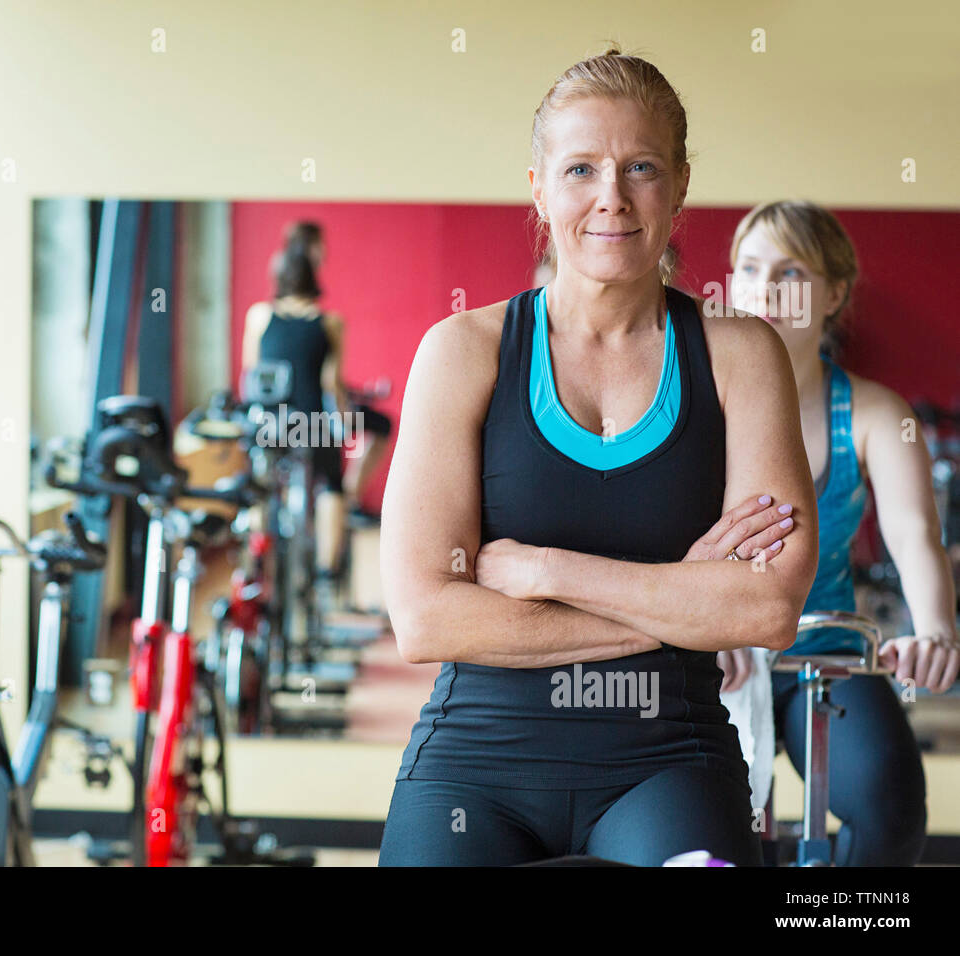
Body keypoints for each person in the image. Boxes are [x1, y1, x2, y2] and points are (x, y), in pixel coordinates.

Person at [378, 48, 819, 866]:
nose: (611, 197)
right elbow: (425, 617)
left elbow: (765, 611)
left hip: (668, 761)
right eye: (581, 168)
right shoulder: (463, 352)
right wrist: (681, 603)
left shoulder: (738, 354)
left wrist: (544, 570)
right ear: (539, 187)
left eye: (641, 167)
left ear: (681, 184)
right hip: (475, 762)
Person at [721, 200, 958, 865]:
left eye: (790, 272)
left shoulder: (874, 412)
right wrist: (695, 634)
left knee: (890, 801)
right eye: (748, 268)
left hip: (820, 649)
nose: (764, 289)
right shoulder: (693, 394)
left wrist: (935, 630)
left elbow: (914, 535)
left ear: (835, 294)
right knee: (706, 828)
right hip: (707, 653)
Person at [241, 221, 349, 583]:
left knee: (260, 481)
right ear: (315, 276)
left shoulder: (259, 316)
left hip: (270, 426)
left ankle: (257, 557)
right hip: (312, 424)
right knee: (333, 483)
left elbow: (250, 375)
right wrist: (345, 422)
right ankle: (325, 569)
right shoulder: (331, 322)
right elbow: (331, 384)